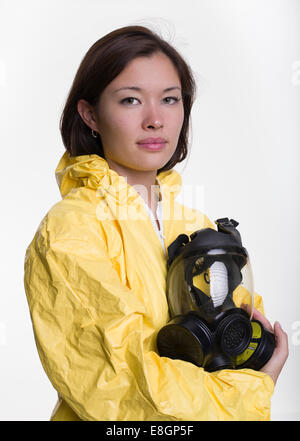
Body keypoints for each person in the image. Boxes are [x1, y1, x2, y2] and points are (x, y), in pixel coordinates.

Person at [24, 25, 288, 421]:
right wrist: (250, 393)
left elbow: (238, 347)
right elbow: (120, 384)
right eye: (130, 100)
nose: (155, 120)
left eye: (170, 99)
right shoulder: (70, 231)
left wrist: (257, 366)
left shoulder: (197, 226)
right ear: (90, 114)